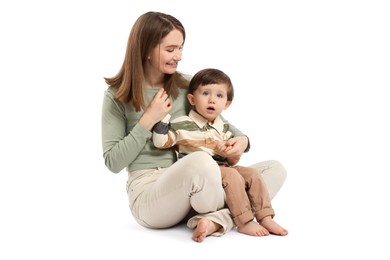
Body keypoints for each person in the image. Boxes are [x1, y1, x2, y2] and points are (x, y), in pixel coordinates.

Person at [101, 11, 287, 243]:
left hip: (202, 186)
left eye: (180, 48)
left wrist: (243, 142)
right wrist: (148, 119)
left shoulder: (187, 85)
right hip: (150, 193)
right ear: (146, 49)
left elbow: (227, 126)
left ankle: (213, 221)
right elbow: (113, 162)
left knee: (274, 169)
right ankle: (232, 216)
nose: (178, 56)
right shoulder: (117, 96)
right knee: (201, 161)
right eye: (170, 49)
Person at [152, 68, 288, 237]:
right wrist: (164, 117)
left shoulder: (223, 128)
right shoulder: (182, 123)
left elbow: (231, 161)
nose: (212, 100)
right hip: (204, 173)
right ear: (192, 99)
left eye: (219, 96)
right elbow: (161, 142)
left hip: (223, 168)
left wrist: (230, 153)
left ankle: (265, 216)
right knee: (232, 176)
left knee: (252, 174)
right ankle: (244, 222)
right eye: (206, 93)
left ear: (227, 104)